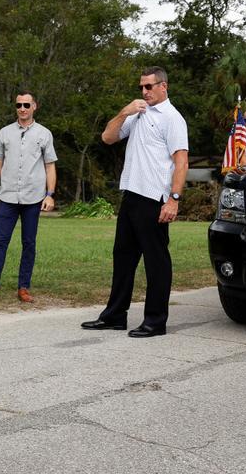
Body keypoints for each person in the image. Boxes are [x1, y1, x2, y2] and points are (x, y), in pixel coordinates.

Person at [81, 66, 188, 338]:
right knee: (123, 258)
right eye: (141, 87)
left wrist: (173, 199)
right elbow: (107, 137)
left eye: (149, 87)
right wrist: (124, 112)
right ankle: (115, 315)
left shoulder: (172, 118)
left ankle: (155, 321)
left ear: (164, 86)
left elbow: (181, 161)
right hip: (131, 193)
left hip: (155, 197)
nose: (144, 92)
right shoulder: (138, 113)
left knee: (156, 260)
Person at [0, 92, 57, 305]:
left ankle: (24, 288)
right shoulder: (5, 133)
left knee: (28, 243)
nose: (22, 108)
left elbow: (50, 166)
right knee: (0, 242)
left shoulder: (44, 134)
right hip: (8, 197)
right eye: (19, 105)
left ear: (34, 106)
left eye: (26, 105)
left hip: (33, 198)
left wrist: (49, 194)